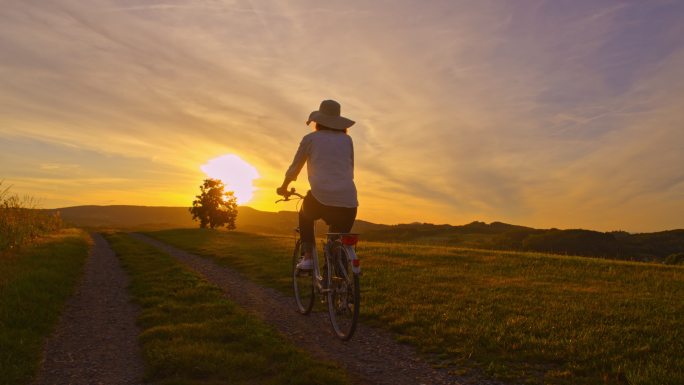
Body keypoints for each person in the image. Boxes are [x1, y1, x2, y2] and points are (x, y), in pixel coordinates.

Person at [277, 99, 358, 270]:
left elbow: (295, 167)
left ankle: (308, 258)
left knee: (305, 214)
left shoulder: (310, 139)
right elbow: (350, 167)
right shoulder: (347, 140)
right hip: (349, 200)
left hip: (320, 196)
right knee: (337, 241)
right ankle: (340, 276)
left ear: (319, 121)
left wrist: (284, 187)